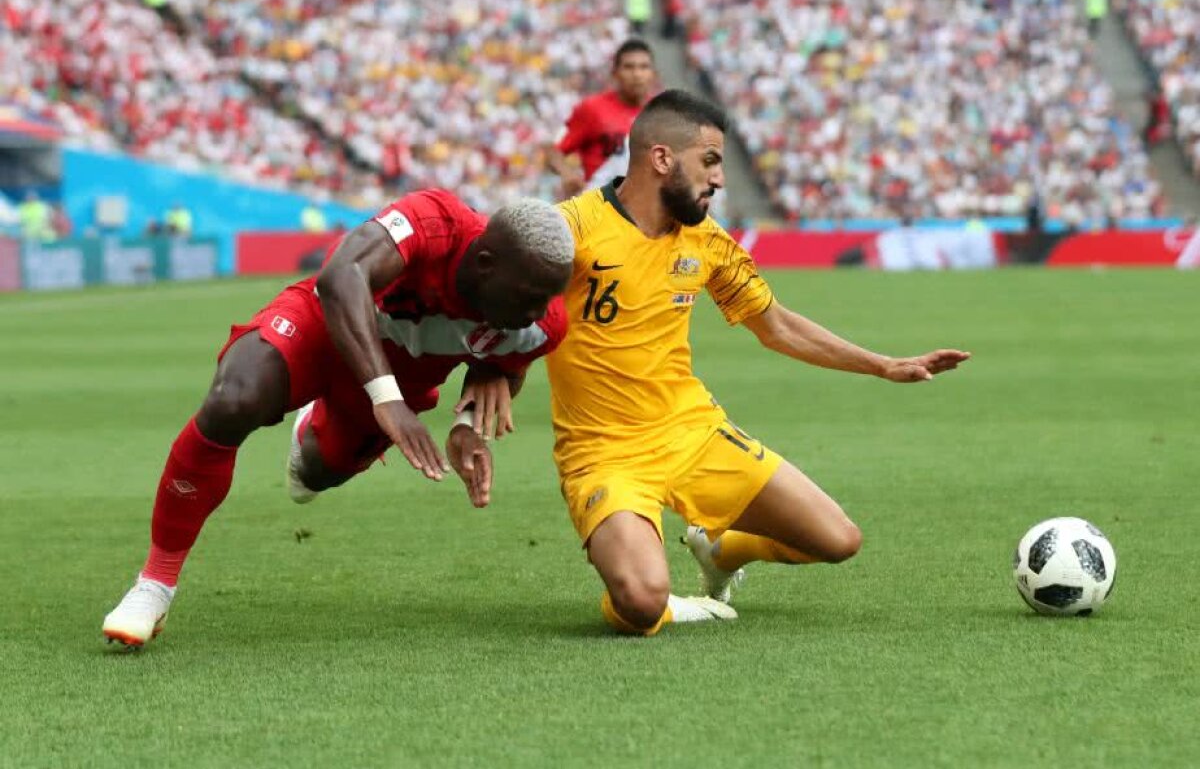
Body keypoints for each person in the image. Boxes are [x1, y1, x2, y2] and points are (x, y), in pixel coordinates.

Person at [549, 90, 971, 635]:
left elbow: (777, 326)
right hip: (602, 451)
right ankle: (662, 599)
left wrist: (884, 366)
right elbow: (512, 315)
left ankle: (721, 549)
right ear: (661, 159)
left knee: (838, 540)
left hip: (691, 432)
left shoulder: (706, 240)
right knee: (642, 602)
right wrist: (475, 402)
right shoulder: (573, 229)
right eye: (709, 161)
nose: (719, 179)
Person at [101, 192, 575, 649]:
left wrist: (467, 425)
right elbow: (342, 275)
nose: (538, 311)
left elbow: (504, 365)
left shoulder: (539, 321)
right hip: (321, 327)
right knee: (233, 401)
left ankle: (313, 427)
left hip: (397, 384)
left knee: (316, 474)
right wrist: (386, 398)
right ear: (486, 263)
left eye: (547, 298)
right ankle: (155, 585)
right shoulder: (435, 222)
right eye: (529, 296)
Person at [546, 39, 656, 199]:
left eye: (643, 67)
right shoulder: (591, 108)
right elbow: (553, 152)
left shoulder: (661, 113)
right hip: (601, 206)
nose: (637, 74)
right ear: (615, 73)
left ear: (653, 73)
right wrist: (567, 173)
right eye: (629, 67)